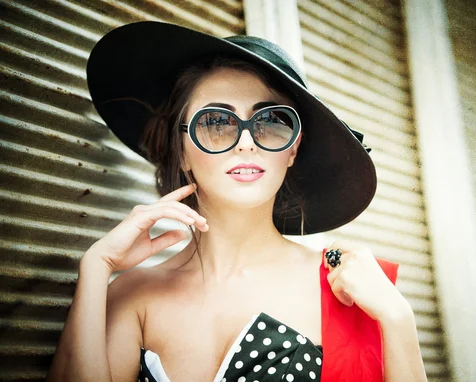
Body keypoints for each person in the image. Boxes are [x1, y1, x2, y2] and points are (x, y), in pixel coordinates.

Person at [47, 21, 427, 382]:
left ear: (292, 149)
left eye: (271, 119)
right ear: (181, 151)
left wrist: (397, 318)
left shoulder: (346, 288)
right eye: (215, 122)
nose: (246, 141)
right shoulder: (133, 295)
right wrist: (97, 266)